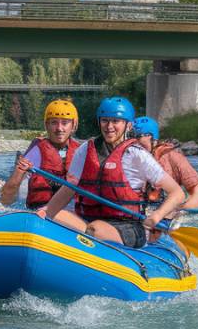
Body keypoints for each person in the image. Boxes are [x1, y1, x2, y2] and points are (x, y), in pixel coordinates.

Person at [38, 96, 184, 248]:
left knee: (96, 230)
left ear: (128, 125)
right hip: (86, 220)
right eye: (105, 120)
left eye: (116, 121)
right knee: (55, 217)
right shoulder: (85, 150)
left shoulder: (137, 154)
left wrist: (156, 216)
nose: (109, 126)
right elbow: (70, 187)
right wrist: (45, 212)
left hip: (127, 226)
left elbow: (177, 193)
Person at [1, 99, 80, 211]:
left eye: (65, 122)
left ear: (74, 125)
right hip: (40, 212)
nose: (59, 128)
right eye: (54, 122)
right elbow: (7, 196)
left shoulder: (81, 152)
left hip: (72, 214)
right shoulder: (36, 151)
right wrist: (19, 172)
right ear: (46, 125)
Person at [132, 116, 198, 214]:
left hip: (167, 213)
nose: (135, 145)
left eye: (138, 138)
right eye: (132, 139)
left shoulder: (174, 158)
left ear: (153, 138)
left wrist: (176, 211)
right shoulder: (127, 158)